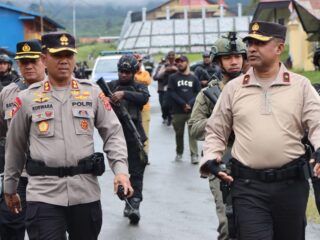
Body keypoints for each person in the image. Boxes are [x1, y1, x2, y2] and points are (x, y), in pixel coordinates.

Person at [3, 32, 133, 240]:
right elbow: (15, 146)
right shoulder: (27, 98)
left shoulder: (92, 93)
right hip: (44, 194)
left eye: (69, 55)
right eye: (57, 55)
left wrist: (121, 172)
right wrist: (9, 188)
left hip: (85, 192)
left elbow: (113, 133)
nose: (64, 61)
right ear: (45, 58)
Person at [200, 21, 320, 240]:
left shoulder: (301, 86)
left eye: (259, 43)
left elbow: (317, 123)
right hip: (248, 187)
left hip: (291, 186)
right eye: (250, 43)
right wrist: (211, 157)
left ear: (279, 48)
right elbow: (216, 130)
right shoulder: (234, 89)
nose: (252, 48)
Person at [188, 32, 246, 240]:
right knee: (228, 225)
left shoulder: (255, 88)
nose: (234, 61)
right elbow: (194, 127)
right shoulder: (207, 94)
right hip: (223, 162)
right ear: (218, 61)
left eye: (238, 56)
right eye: (228, 57)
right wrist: (222, 123)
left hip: (254, 162)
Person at [0, 39, 46, 240]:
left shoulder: (57, 89)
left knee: (46, 230)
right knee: (10, 225)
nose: (28, 65)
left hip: (48, 177)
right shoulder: (8, 93)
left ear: (44, 60)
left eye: (33, 61)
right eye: (23, 61)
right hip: (19, 176)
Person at [107, 54, 149, 224]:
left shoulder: (139, 86)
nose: (123, 75)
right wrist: (109, 100)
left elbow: (143, 98)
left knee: (137, 172)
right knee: (121, 172)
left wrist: (124, 94)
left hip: (135, 136)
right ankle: (126, 201)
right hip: (115, 138)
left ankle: (135, 204)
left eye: (127, 72)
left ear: (133, 72)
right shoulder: (109, 86)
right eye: (121, 71)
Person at [168, 55, 201, 163]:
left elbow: (198, 93)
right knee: (179, 133)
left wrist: (190, 104)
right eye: (177, 62)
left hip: (191, 110)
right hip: (177, 111)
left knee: (192, 133)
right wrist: (183, 104)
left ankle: (194, 155)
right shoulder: (173, 77)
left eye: (182, 61)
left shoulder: (194, 78)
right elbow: (171, 92)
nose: (179, 63)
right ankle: (179, 152)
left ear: (187, 63)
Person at [134, 53, 152, 154]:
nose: (138, 63)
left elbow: (147, 81)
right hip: (132, 107)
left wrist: (136, 79)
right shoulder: (129, 73)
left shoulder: (145, 73)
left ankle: (145, 154)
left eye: (140, 61)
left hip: (144, 108)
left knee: (145, 133)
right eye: (136, 61)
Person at [154, 51, 177, 125]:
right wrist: (165, 71)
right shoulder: (162, 66)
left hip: (173, 89)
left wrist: (175, 69)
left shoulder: (177, 65)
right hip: (162, 89)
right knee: (163, 106)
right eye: (169, 56)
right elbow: (155, 77)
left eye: (172, 56)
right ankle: (165, 116)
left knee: (172, 105)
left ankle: (171, 117)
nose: (170, 58)